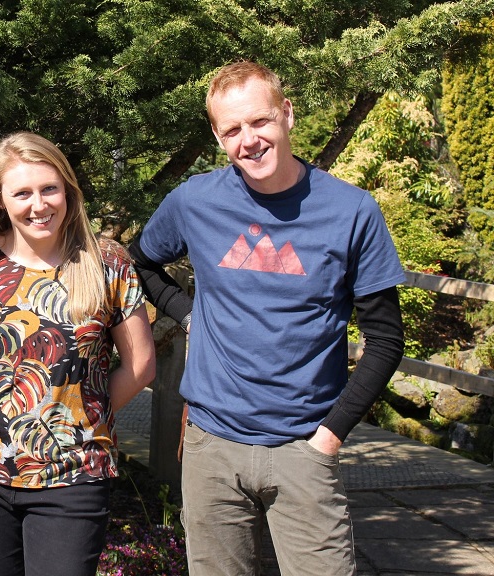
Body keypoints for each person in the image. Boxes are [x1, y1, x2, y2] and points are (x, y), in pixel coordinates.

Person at [129, 61, 406, 575]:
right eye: (232, 130)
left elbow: (386, 340)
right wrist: (188, 314)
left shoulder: (352, 212)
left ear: (287, 115)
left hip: (305, 447)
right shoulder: (194, 201)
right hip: (211, 447)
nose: (249, 140)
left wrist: (329, 437)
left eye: (260, 122)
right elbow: (141, 261)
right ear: (218, 136)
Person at [0, 131, 157, 576]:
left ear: (67, 190)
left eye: (49, 189)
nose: (39, 205)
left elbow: (140, 365)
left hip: (74, 475)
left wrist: (78, 412)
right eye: (22, 193)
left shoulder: (106, 262)